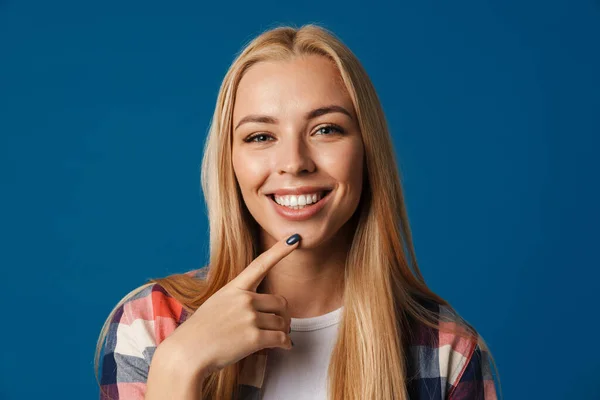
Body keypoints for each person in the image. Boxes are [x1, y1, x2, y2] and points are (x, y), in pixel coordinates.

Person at [94, 24, 500, 400]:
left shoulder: (448, 353)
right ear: (229, 163)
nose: (294, 162)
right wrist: (179, 366)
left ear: (367, 152)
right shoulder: (149, 325)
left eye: (326, 129)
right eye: (261, 136)